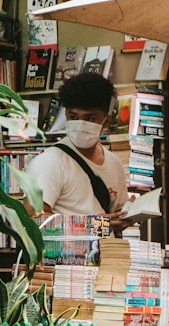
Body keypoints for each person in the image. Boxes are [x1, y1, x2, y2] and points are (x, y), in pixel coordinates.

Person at [26, 72, 130, 231]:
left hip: (106, 252)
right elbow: (32, 218)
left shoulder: (114, 164)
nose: (80, 124)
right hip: (62, 254)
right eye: (73, 116)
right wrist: (95, 225)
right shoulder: (50, 162)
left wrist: (129, 214)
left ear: (106, 121)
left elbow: (114, 217)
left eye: (89, 118)